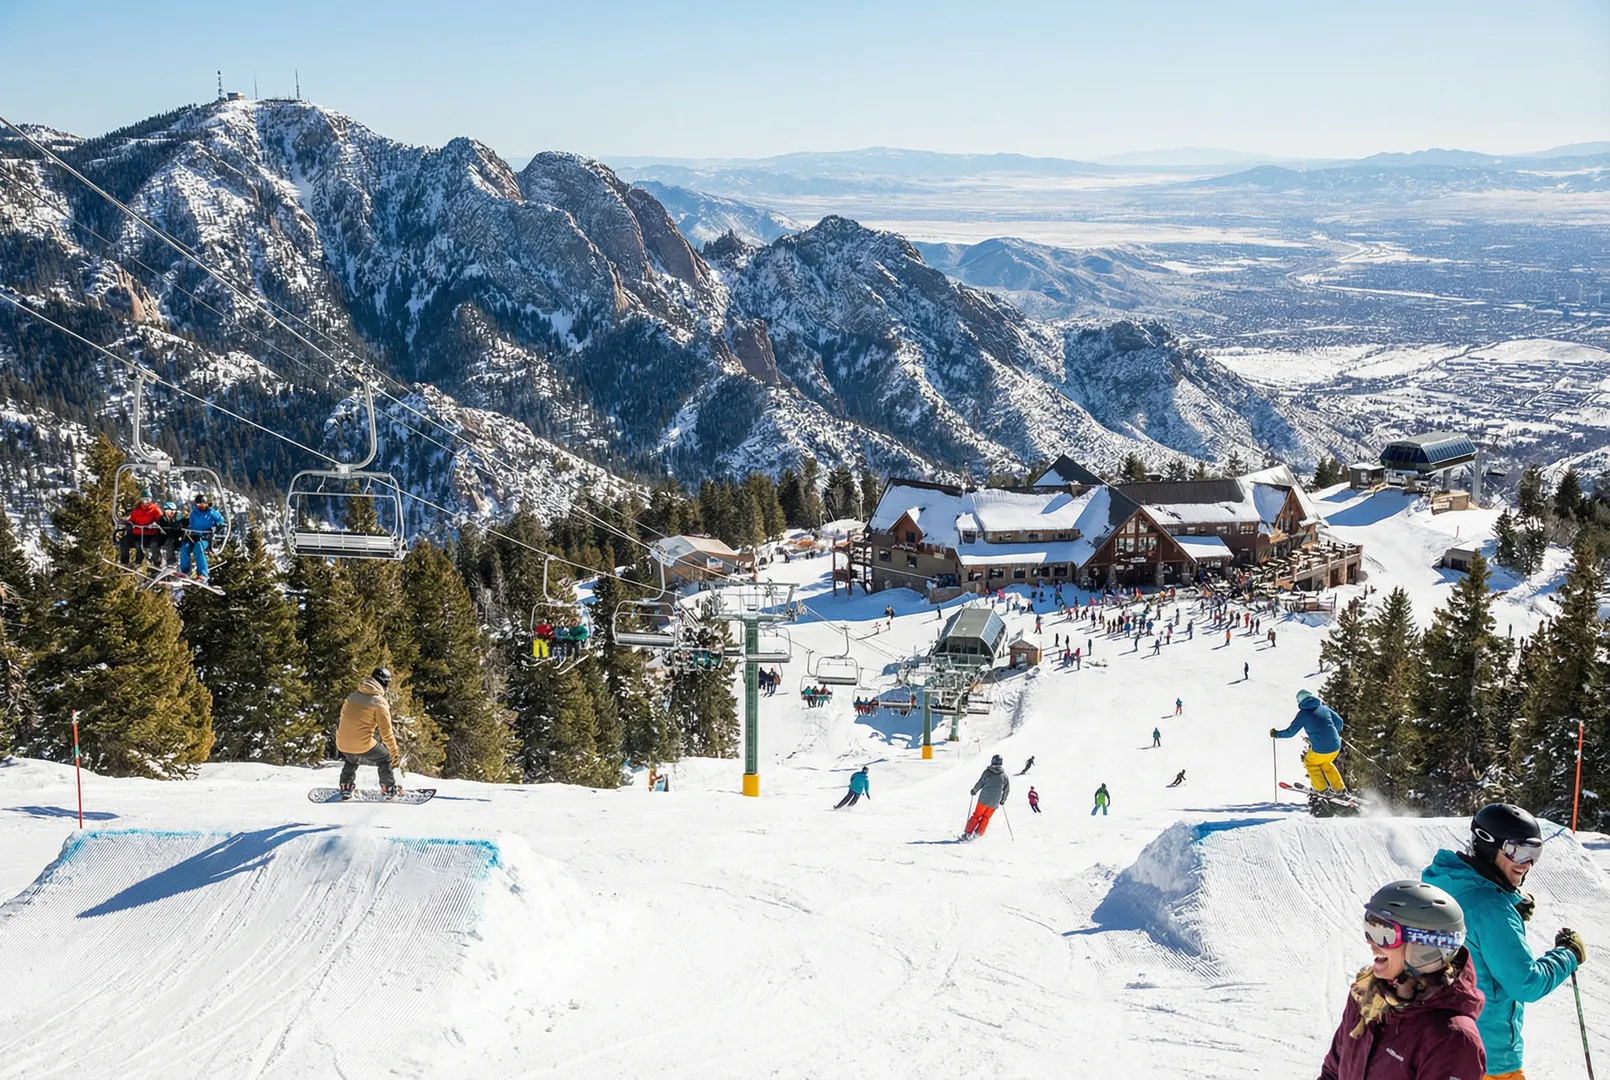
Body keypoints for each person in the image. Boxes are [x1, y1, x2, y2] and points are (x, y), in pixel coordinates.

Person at [1421, 803, 1585, 1078]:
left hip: (1440, 1045)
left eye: (1535, 852)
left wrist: (1509, 907)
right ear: (1487, 845)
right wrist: (1568, 954)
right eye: (1518, 851)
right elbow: (1526, 984)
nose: (1527, 863)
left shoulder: (1444, 882)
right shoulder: (1491, 910)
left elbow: (1469, 930)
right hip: (1488, 1057)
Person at [1318, 879, 1485, 1080]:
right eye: (1370, 927)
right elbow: (1332, 1073)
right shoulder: (1365, 998)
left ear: (1424, 947)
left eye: (1384, 934)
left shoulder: (1452, 1039)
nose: (1371, 942)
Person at [335, 667, 402, 797]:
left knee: (351, 761)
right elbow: (386, 732)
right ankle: (388, 788)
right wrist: (394, 753)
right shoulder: (379, 702)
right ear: (384, 683)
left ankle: (346, 786)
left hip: (342, 742)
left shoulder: (352, 696)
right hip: (362, 743)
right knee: (384, 758)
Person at [1270, 689, 1347, 792]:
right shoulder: (1324, 708)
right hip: (1336, 746)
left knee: (1309, 762)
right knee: (1326, 764)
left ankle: (1322, 789)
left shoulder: (1304, 714)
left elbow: (1291, 732)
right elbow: (1339, 722)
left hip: (1321, 748)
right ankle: (1340, 789)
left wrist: (1277, 734)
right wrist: (1330, 732)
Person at [177, 492, 226, 582]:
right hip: (194, 535)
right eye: (198, 504)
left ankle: (203, 574)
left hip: (205, 536)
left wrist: (216, 527)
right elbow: (191, 524)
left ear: (205, 503)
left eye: (202, 504)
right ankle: (185, 571)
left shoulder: (211, 512)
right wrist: (184, 525)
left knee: (198, 547)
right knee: (185, 547)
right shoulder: (194, 513)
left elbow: (221, 521)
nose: (200, 506)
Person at [963, 755, 1010, 839]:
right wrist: (1003, 800)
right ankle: (978, 834)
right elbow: (1007, 789)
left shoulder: (988, 772)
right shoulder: (1004, 776)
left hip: (984, 799)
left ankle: (967, 833)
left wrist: (975, 790)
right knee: (986, 817)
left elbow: (981, 782)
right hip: (994, 802)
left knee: (977, 815)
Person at [118, 492, 164, 568]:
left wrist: (154, 524)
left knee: (139, 544)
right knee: (124, 541)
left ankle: (138, 561)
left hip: (149, 534)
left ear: (151, 500)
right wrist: (129, 523)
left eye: (147, 500)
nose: (145, 502)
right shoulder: (137, 510)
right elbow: (131, 519)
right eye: (144, 499)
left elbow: (161, 520)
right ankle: (124, 561)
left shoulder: (155, 509)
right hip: (136, 532)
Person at [155, 501, 183, 568]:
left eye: (173, 510)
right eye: (170, 510)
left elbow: (182, 524)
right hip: (165, 537)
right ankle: (170, 563)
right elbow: (164, 525)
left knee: (180, 546)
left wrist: (178, 524)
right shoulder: (163, 518)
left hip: (175, 537)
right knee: (168, 544)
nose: (172, 512)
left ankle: (179, 565)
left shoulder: (176, 517)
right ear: (165, 510)